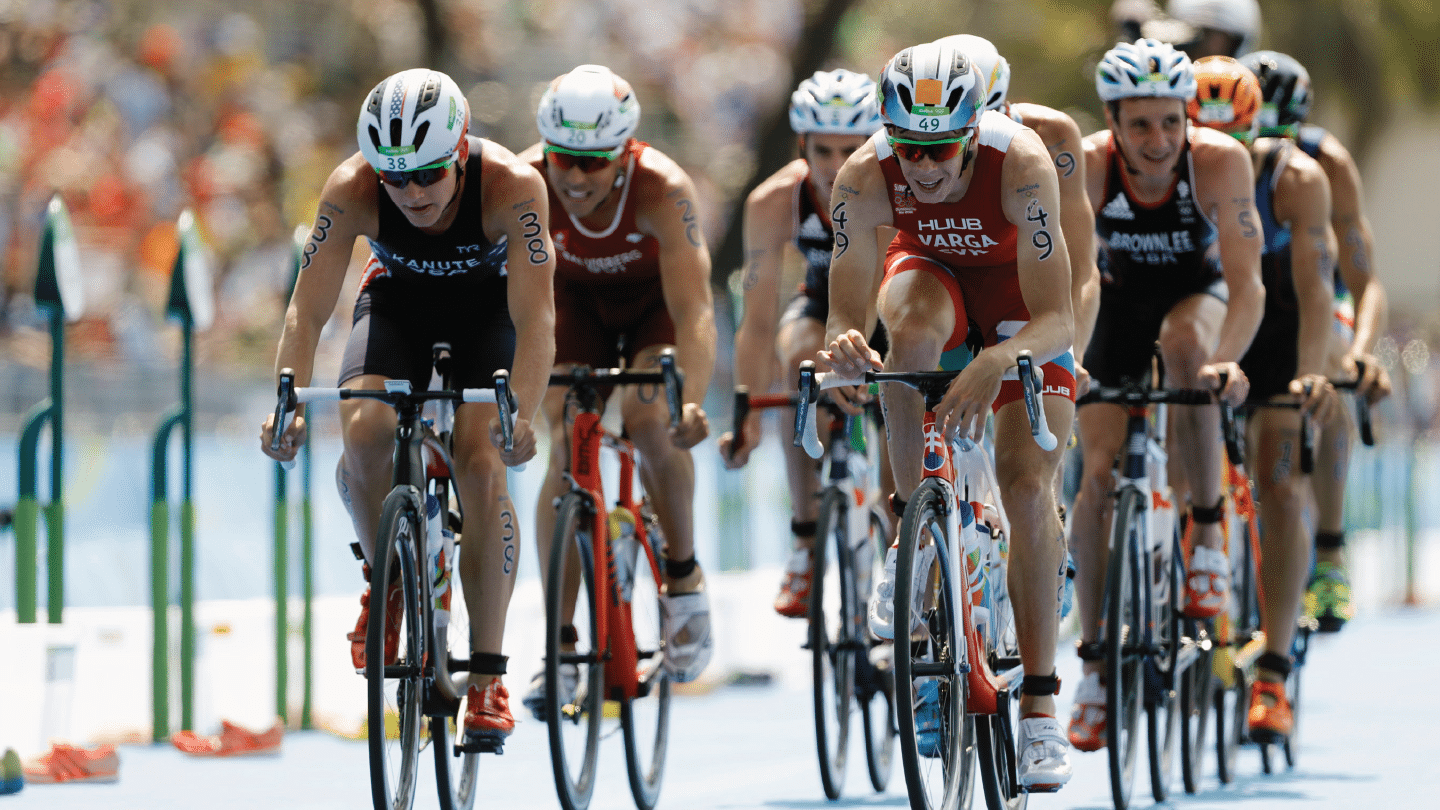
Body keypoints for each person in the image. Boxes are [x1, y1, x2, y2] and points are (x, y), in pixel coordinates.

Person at [259, 69, 556, 748]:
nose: (413, 192)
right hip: (396, 306)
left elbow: (537, 319)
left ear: (458, 154)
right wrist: (286, 397)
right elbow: (307, 308)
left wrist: (525, 414)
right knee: (363, 428)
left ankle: (487, 676)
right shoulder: (350, 187)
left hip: (491, 317)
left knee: (482, 462)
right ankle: (388, 576)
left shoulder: (513, 185)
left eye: (427, 174)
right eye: (396, 178)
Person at [821, 40, 1077, 790]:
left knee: (1027, 485)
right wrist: (841, 344)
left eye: (941, 151)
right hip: (930, 279)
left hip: (1017, 309)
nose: (925, 169)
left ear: (974, 132)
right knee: (907, 336)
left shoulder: (1023, 163)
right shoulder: (864, 172)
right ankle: (916, 532)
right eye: (911, 151)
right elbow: (846, 304)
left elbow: (1057, 318)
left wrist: (997, 363)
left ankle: (1037, 707)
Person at [1067, 39, 1263, 752]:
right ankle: (1092, 665)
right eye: (1141, 125)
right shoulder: (1086, 165)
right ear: (1113, 123)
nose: (1158, 142)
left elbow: (1248, 287)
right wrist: (1070, 360)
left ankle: (1206, 529)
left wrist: (1227, 363)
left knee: (1188, 352)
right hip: (1113, 306)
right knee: (1095, 475)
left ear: (1188, 119)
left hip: (1197, 298)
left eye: (1171, 123)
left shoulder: (1220, 162)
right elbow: (1078, 277)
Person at [517, 65, 716, 716]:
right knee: (565, 436)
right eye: (564, 161)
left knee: (651, 417)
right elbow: (509, 302)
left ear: (625, 154)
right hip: (574, 309)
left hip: (653, 311)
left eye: (594, 164)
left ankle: (683, 577)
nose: (574, 179)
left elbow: (695, 314)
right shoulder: (525, 183)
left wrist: (692, 397)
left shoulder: (664, 190)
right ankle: (560, 644)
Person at [1187, 54, 1339, 744]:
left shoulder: (1297, 180)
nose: (1225, 153)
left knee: (1278, 482)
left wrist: (1310, 376)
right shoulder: (1166, 169)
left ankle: (1273, 670)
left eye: (1238, 138)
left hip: (1275, 330)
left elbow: (1313, 294)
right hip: (1201, 316)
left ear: (1262, 131)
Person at [717, 68, 889, 618]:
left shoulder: (895, 187)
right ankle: (807, 538)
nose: (837, 166)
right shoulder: (774, 200)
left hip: (893, 311)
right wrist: (745, 406)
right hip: (821, 309)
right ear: (802, 146)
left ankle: (901, 547)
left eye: (851, 149)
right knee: (799, 365)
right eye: (824, 151)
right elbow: (759, 317)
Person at [1242, 50, 1393, 632]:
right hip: (1235, 301)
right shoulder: (1206, 158)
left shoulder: (1325, 162)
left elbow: (1364, 282)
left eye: (1281, 134)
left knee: (1329, 367)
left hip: (1308, 300)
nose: (1266, 149)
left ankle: (1329, 551)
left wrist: (1360, 355)